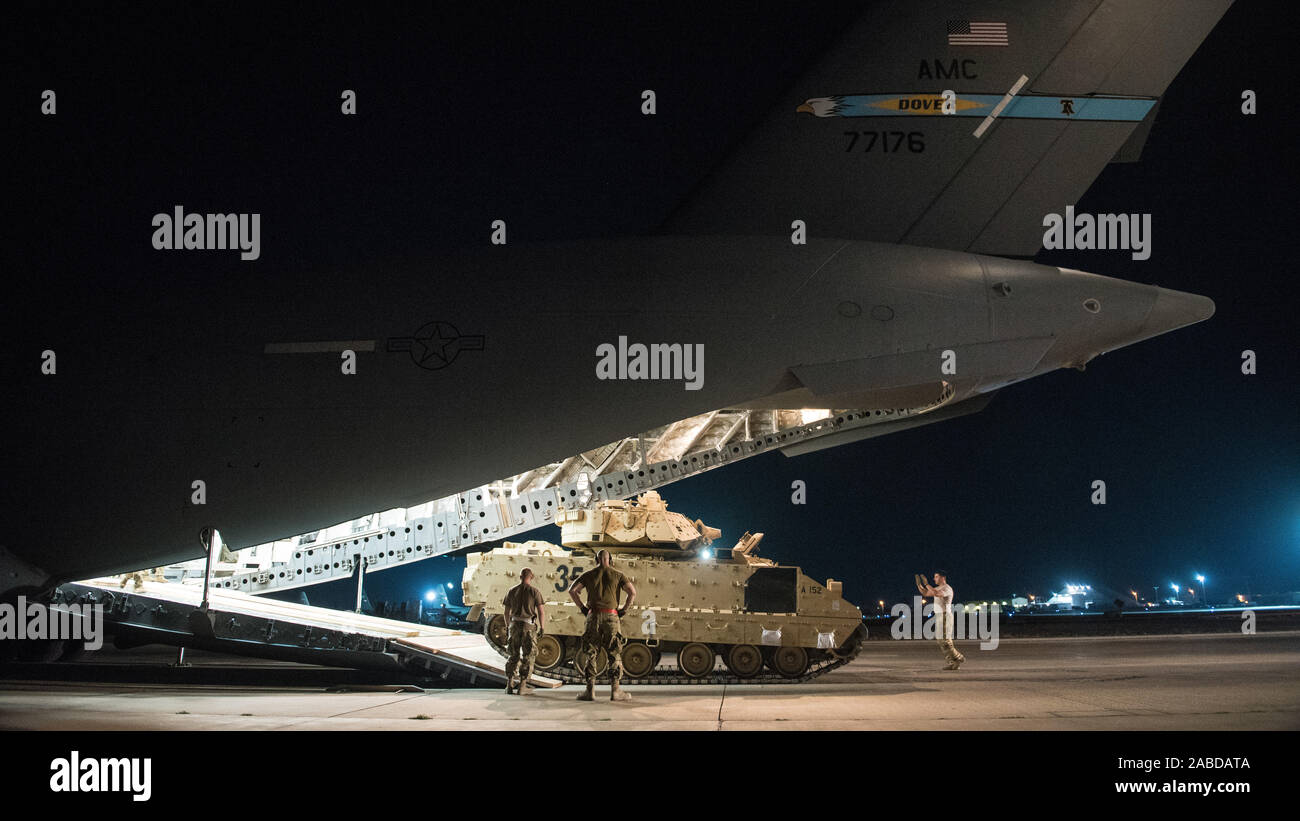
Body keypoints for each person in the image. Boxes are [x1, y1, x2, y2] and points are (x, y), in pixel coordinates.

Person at [568, 549, 636, 701]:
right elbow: (632, 592)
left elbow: (572, 591)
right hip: (612, 615)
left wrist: (583, 608)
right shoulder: (618, 575)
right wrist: (623, 610)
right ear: (610, 559)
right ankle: (615, 691)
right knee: (614, 652)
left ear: (596, 560)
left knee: (591, 653)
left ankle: (590, 691)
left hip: (593, 615)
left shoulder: (588, 574)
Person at [502, 567, 545, 694]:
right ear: (531, 577)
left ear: (520, 577)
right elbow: (541, 612)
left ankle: (509, 685)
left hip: (514, 624)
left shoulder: (511, 591)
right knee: (528, 656)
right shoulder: (534, 591)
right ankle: (522, 686)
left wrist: (508, 626)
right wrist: (542, 627)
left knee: (513, 655)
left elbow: (506, 612)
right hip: (529, 627)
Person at [919, 570, 964, 670]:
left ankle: (958, 657)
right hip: (939, 615)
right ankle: (953, 663)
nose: (934, 578)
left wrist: (926, 584)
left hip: (945, 615)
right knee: (940, 640)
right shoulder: (937, 588)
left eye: (936, 576)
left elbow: (937, 593)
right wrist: (919, 584)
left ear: (943, 577)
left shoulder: (947, 588)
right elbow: (925, 593)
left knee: (945, 640)